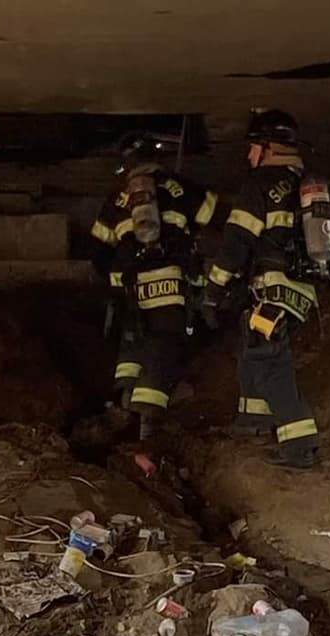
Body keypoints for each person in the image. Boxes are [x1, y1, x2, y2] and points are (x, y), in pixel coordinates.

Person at [202, 109, 320, 469]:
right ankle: (254, 419)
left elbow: (237, 241)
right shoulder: (301, 184)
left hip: (273, 290)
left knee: (270, 364)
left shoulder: (261, 184)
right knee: (251, 347)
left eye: (253, 148)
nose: (248, 156)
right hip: (301, 291)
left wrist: (213, 289)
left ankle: (300, 446)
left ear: (268, 148)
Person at [90, 132, 219, 467]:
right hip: (171, 289)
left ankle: (121, 414)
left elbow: (97, 251)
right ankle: (148, 437)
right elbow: (215, 214)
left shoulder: (116, 200)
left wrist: (116, 285)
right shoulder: (178, 188)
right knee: (163, 351)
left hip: (132, 293)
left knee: (132, 349)